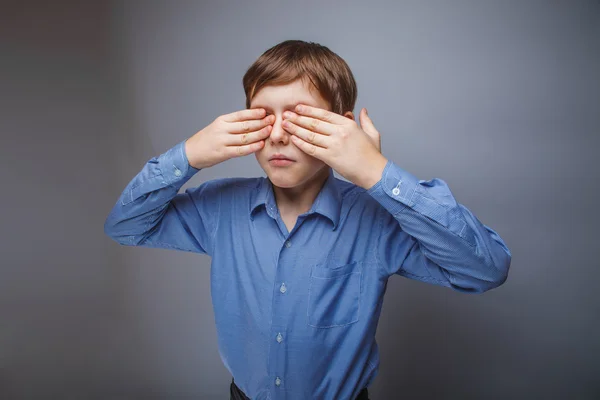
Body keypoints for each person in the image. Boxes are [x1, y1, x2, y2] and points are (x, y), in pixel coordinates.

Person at [104, 39, 511, 400]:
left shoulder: (377, 220)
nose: (278, 135)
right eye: (262, 116)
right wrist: (187, 155)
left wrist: (375, 171)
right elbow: (125, 226)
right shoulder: (219, 209)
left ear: (342, 128)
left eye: (300, 118)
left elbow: (485, 269)